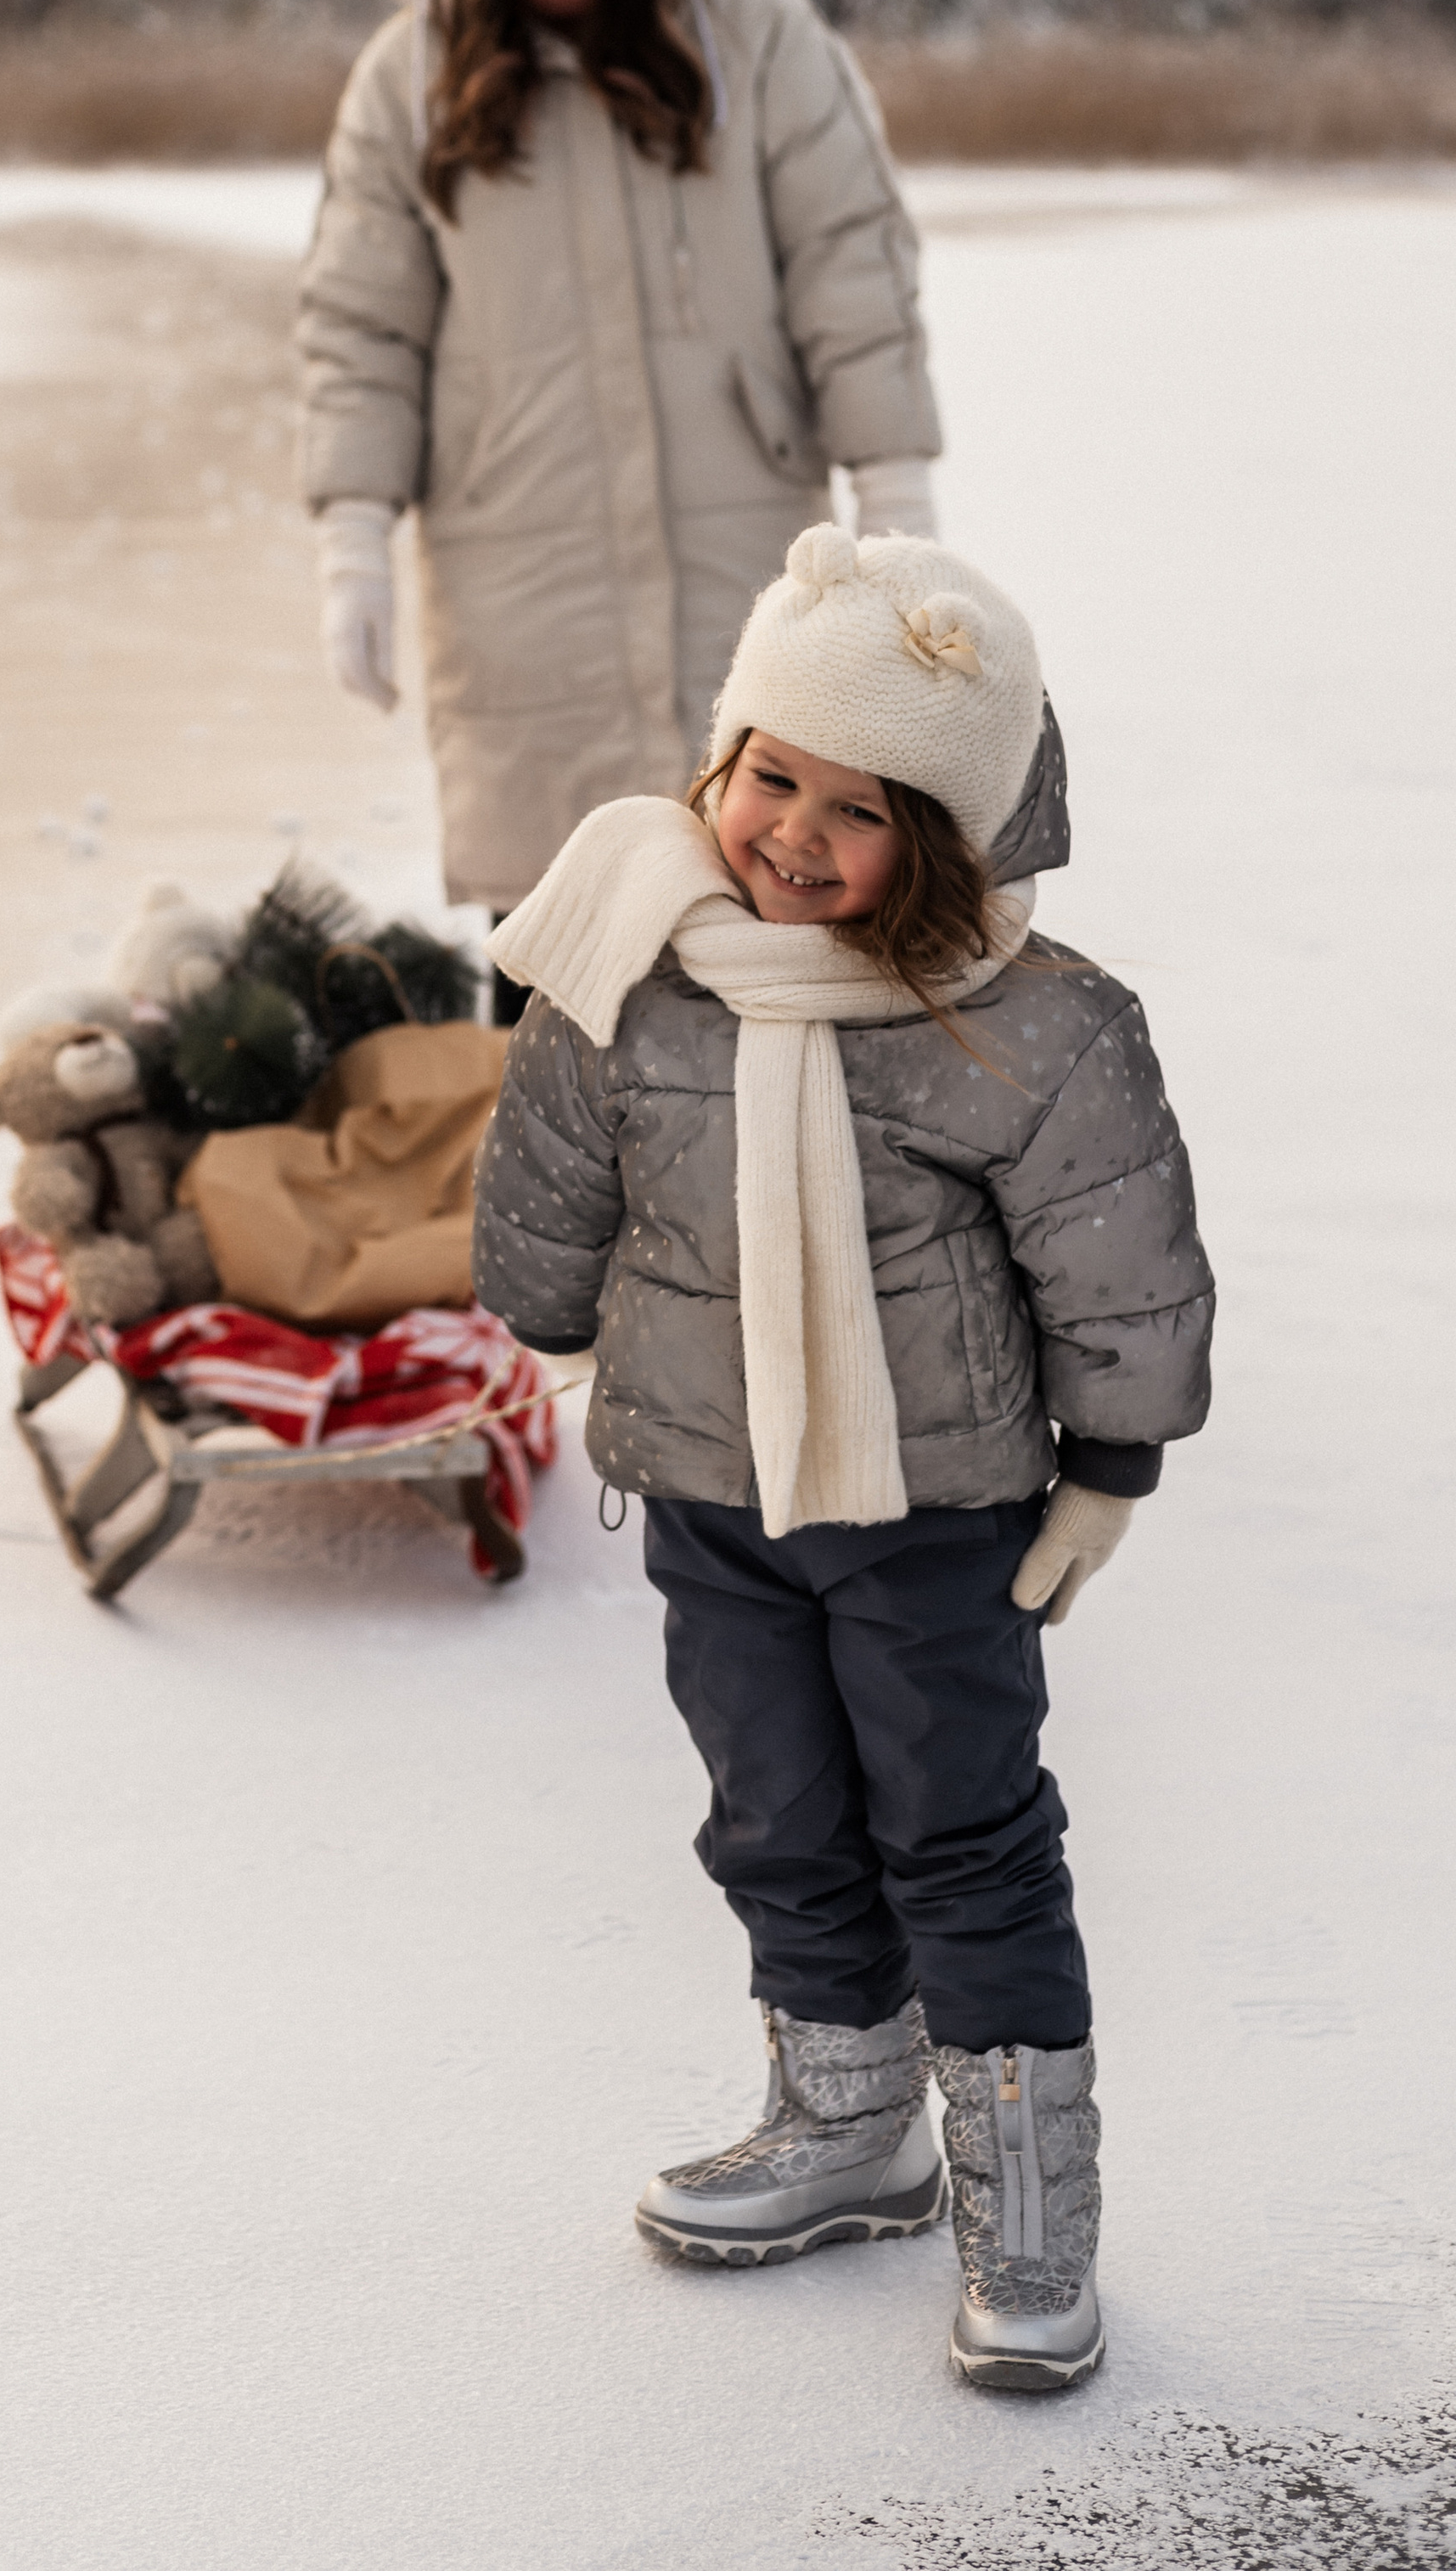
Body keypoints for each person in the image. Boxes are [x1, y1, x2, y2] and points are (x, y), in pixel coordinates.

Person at [470, 525, 1215, 2393]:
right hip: (712, 1497)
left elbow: (1113, 1249)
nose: (788, 833)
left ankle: (1027, 2205)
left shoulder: (1026, 1024)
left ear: (946, 842)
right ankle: (846, 2120)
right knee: (776, 1817)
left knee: (960, 1841)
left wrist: (1105, 1462)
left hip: (934, 1515)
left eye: (857, 809)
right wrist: (558, 1332)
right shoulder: (630, 962)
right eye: (766, 776)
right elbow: (550, 1183)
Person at [296, 0, 942, 1015]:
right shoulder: (410, 71)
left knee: (770, 950)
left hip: (749, 567)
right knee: (558, 987)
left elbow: (851, 261)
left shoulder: (754, 31)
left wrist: (895, 490)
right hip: (520, 579)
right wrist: (354, 527)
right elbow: (365, 321)